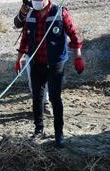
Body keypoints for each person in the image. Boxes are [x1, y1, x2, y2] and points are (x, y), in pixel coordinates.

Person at [14, 0, 84, 147]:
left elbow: (74, 35)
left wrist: (78, 57)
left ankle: (59, 133)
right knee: (37, 98)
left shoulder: (60, 13)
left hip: (55, 63)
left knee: (54, 97)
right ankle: (38, 130)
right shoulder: (31, 14)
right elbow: (25, 40)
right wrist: (19, 59)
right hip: (37, 63)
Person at [13, 0, 50, 115]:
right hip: (32, 51)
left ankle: (45, 103)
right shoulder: (28, 7)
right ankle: (39, 103)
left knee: (47, 80)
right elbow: (18, 24)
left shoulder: (51, 9)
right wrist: (22, 13)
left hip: (48, 50)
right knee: (33, 81)